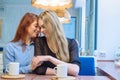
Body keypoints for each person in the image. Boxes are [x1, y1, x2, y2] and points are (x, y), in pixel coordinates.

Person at [31, 10, 80, 76]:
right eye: (40, 27)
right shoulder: (39, 41)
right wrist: (62, 71)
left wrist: (49, 58)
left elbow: (75, 70)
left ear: (53, 25)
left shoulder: (72, 43)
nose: (41, 30)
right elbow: (39, 69)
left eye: (44, 26)